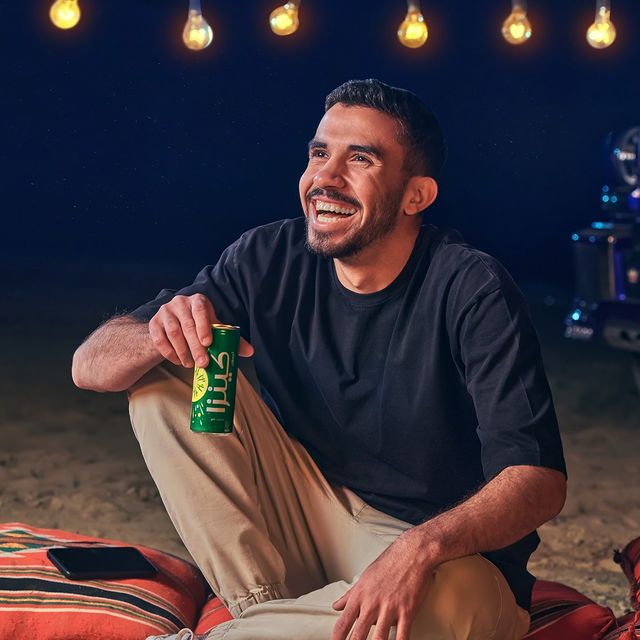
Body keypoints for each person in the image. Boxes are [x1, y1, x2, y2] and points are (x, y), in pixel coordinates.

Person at [72, 79, 567, 640]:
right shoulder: (267, 256)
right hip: (302, 519)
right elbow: (88, 367)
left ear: (416, 196)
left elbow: (539, 480)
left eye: (360, 158)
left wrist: (420, 545)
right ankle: (260, 611)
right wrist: (152, 337)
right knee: (165, 381)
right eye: (318, 153)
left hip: (440, 557)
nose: (325, 178)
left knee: (435, 613)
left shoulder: (471, 287)